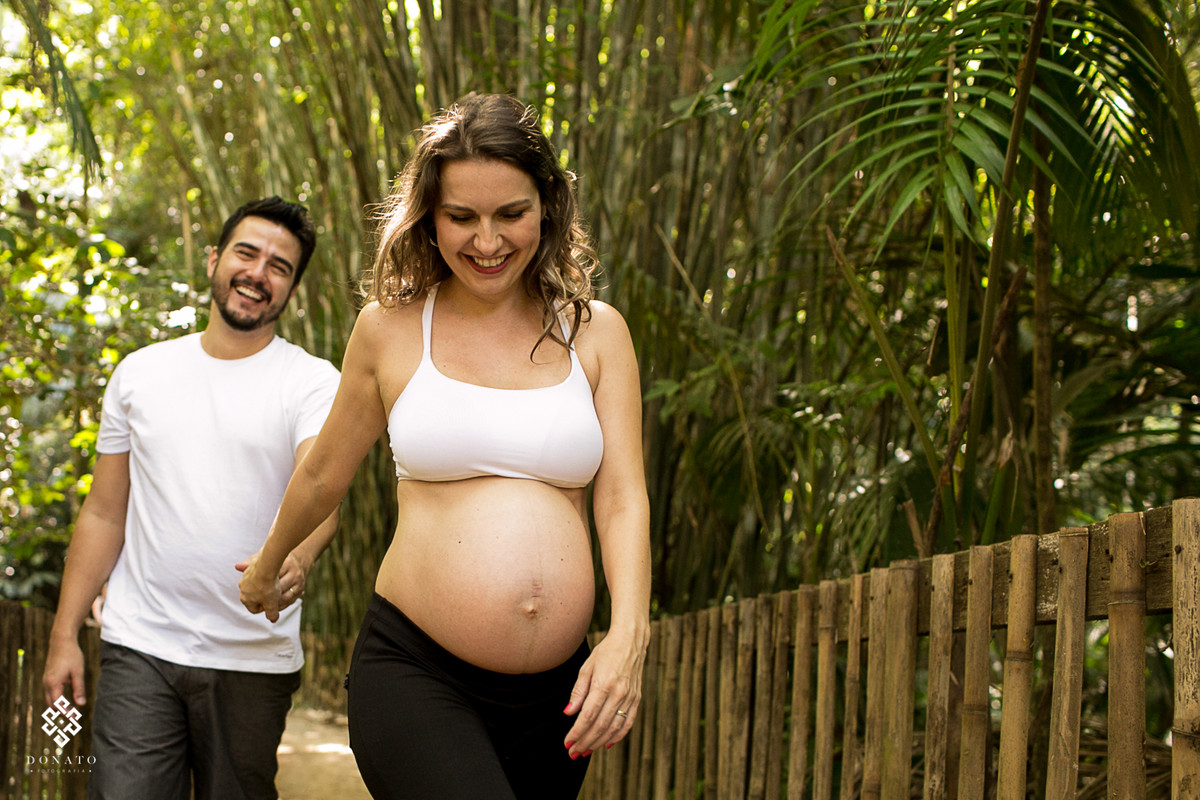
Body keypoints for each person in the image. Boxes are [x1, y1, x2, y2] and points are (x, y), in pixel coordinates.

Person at [238, 93, 652, 799]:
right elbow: (323, 476)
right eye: (461, 216)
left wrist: (628, 638)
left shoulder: (599, 331)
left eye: (510, 215)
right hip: (416, 671)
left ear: (546, 208)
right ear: (428, 217)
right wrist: (269, 565)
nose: (486, 242)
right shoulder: (390, 329)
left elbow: (621, 498)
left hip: (556, 698)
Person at [42, 196, 342, 800]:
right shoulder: (140, 374)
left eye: (279, 267)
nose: (258, 273)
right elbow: (104, 511)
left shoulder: (312, 382)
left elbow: (321, 497)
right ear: (214, 258)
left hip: (253, 655)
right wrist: (63, 635)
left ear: (292, 290)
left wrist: (296, 561)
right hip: (140, 643)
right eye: (246, 253)